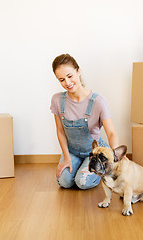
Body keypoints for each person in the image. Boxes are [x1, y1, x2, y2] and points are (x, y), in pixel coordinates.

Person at [50, 53, 120, 189]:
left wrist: (115, 157)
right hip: (72, 151)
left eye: (70, 76)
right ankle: (79, 166)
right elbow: (60, 131)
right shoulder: (57, 100)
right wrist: (66, 157)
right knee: (64, 182)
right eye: (62, 80)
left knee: (82, 183)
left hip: (94, 152)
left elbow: (111, 133)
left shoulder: (98, 101)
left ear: (78, 71)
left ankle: (98, 171)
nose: (67, 83)